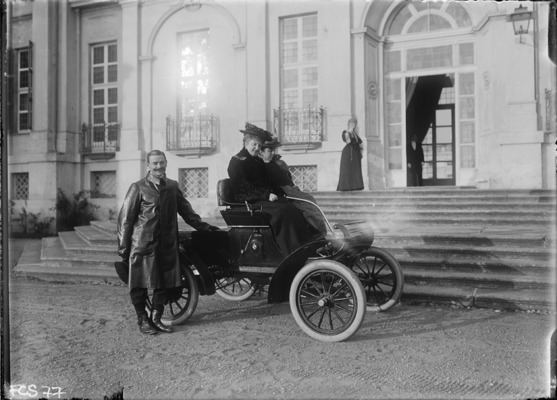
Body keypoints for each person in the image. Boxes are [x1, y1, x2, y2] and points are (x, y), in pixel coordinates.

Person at [117, 150, 219, 335]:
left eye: (161, 162)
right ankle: (143, 319)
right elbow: (125, 219)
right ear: (148, 165)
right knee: (138, 283)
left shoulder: (172, 186)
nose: (159, 166)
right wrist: (123, 248)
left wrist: (205, 228)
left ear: (166, 163)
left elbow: (187, 212)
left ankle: (156, 318)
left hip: (167, 245)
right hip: (142, 244)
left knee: (164, 282)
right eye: (155, 163)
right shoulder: (137, 187)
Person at [227, 123, 314, 254]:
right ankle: (290, 251)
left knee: (291, 206)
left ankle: (304, 246)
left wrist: (280, 191)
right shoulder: (237, 161)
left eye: (259, 145)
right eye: (254, 144)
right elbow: (242, 189)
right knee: (282, 211)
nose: (257, 148)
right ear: (246, 143)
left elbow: (267, 182)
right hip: (247, 202)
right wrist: (266, 195)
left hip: (260, 199)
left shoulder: (257, 161)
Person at [259, 137, 327, 239]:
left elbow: (286, 180)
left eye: (273, 150)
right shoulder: (260, 167)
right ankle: (312, 235)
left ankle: (317, 233)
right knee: (303, 207)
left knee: (309, 200)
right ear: (261, 152)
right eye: (269, 151)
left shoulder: (276, 164)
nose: (272, 153)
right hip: (279, 194)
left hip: (288, 191)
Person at [337, 116, 364, 191]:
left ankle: (356, 186)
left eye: (354, 124)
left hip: (355, 154)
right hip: (348, 153)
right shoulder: (346, 132)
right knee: (347, 169)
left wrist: (361, 152)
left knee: (356, 169)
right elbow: (348, 141)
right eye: (352, 123)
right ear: (349, 124)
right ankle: (346, 187)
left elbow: (360, 142)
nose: (353, 125)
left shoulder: (355, 134)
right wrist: (350, 131)